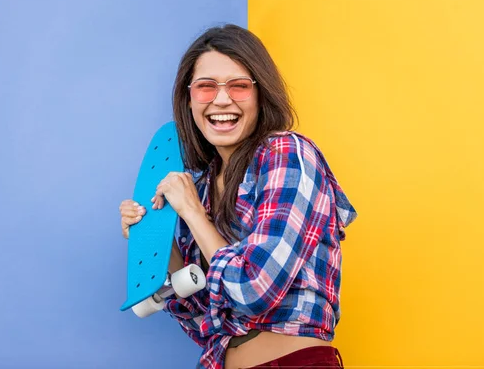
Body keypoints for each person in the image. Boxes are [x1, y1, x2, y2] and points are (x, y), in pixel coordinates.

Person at [118, 24, 357, 369]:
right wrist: (155, 238)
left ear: (262, 94)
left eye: (239, 86)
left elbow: (254, 290)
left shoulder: (287, 154)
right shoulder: (199, 188)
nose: (221, 99)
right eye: (205, 87)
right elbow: (202, 318)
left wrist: (193, 214)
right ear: (188, 99)